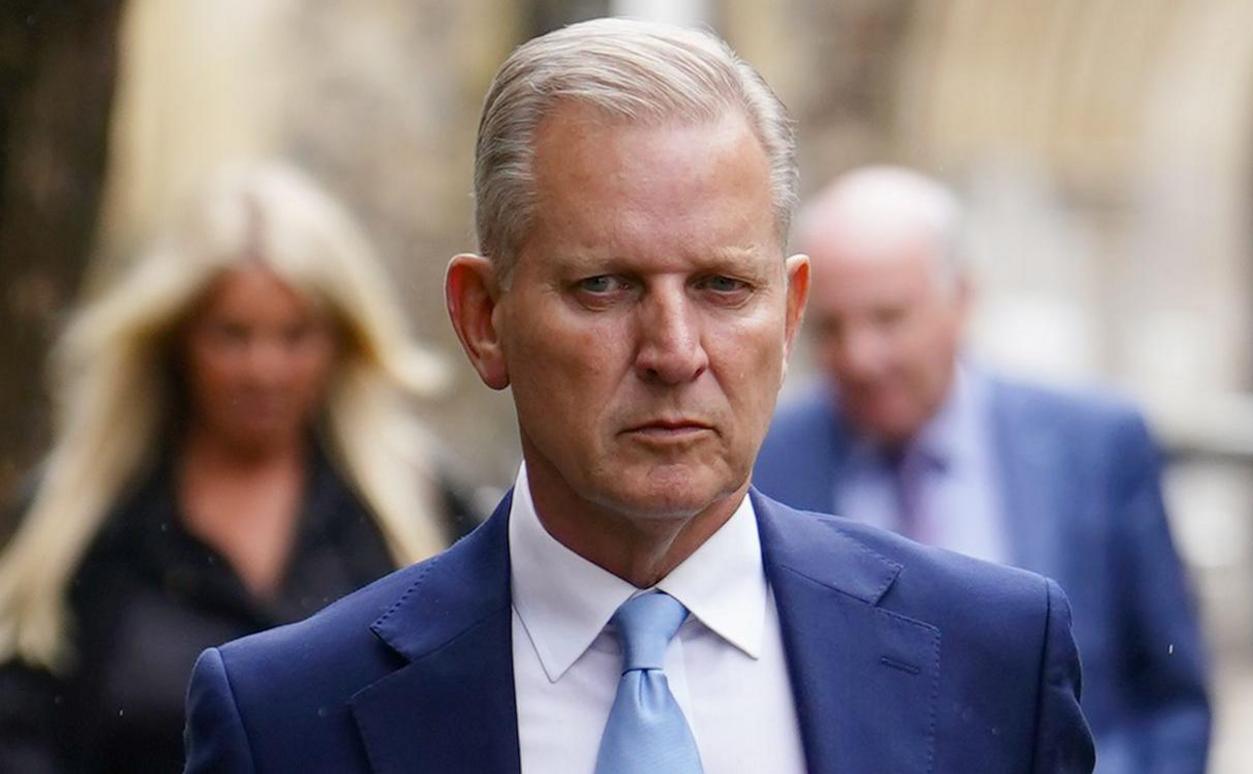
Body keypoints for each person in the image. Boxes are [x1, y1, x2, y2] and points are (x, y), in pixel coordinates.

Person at [183, 19, 1094, 773]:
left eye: (723, 287)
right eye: (605, 287)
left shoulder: (995, 661)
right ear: (484, 318)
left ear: (790, 314)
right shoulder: (287, 719)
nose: (673, 351)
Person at [0, 162, 478, 773]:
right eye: (233, 335)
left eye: (294, 335)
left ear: (339, 341)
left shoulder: (423, 509)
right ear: (177, 339)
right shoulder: (77, 523)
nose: (263, 370)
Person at [753, 166, 1211, 773]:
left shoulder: (1094, 446)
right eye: (832, 328)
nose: (861, 357)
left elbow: (1171, 694)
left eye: (888, 318)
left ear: (962, 299)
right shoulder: (766, 458)